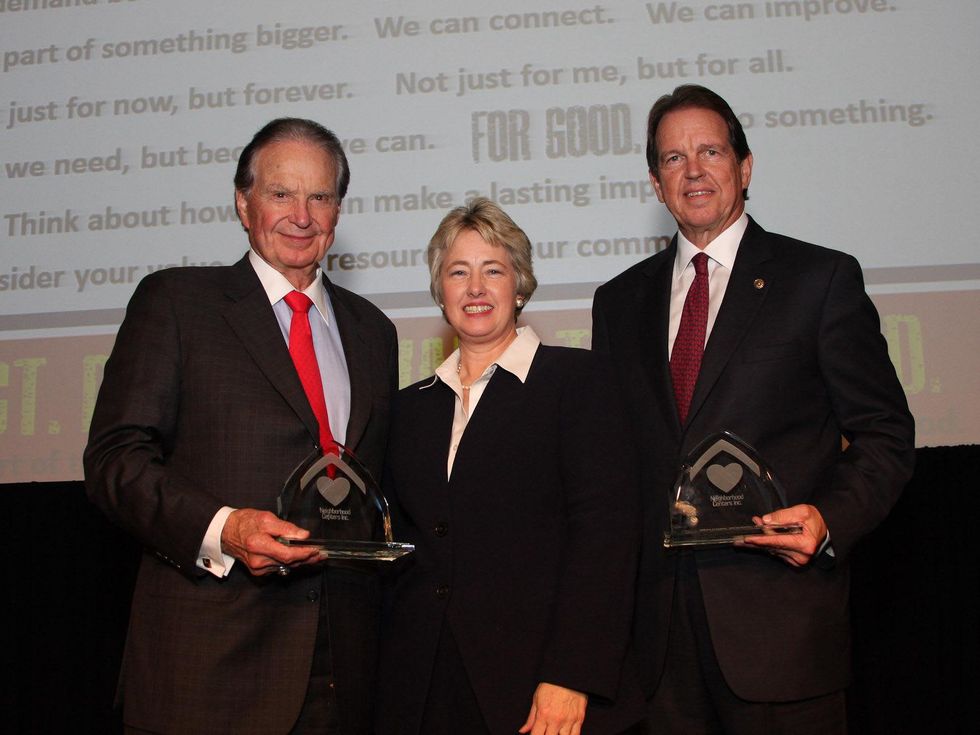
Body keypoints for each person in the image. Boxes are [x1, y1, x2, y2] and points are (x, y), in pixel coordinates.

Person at [591, 85, 915, 734]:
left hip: (781, 635)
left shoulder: (818, 280)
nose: (694, 170)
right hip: (658, 646)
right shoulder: (618, 301)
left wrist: (829, 517)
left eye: (710, 150)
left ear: (745, 165)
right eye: (674, 158)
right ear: (655, 184)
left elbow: (885, 433)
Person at [84, 118, 398, 735]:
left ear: (339, 209)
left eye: (321, 196)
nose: (301, 215)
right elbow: (115, 460)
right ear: (243, 202)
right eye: (281, 193)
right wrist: (224, 530)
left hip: (343, 668)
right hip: (209, 664)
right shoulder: (177, 302)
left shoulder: (373, 330)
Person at [376, 198, 643, 735]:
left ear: (519, 286)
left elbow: (606, 540)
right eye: (458, 272)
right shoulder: (408, 408)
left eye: (492, 270)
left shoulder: (579, 382)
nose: (475, 288)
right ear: (440, 292)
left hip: (539, 690)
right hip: (424, 688)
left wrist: (571, 676)